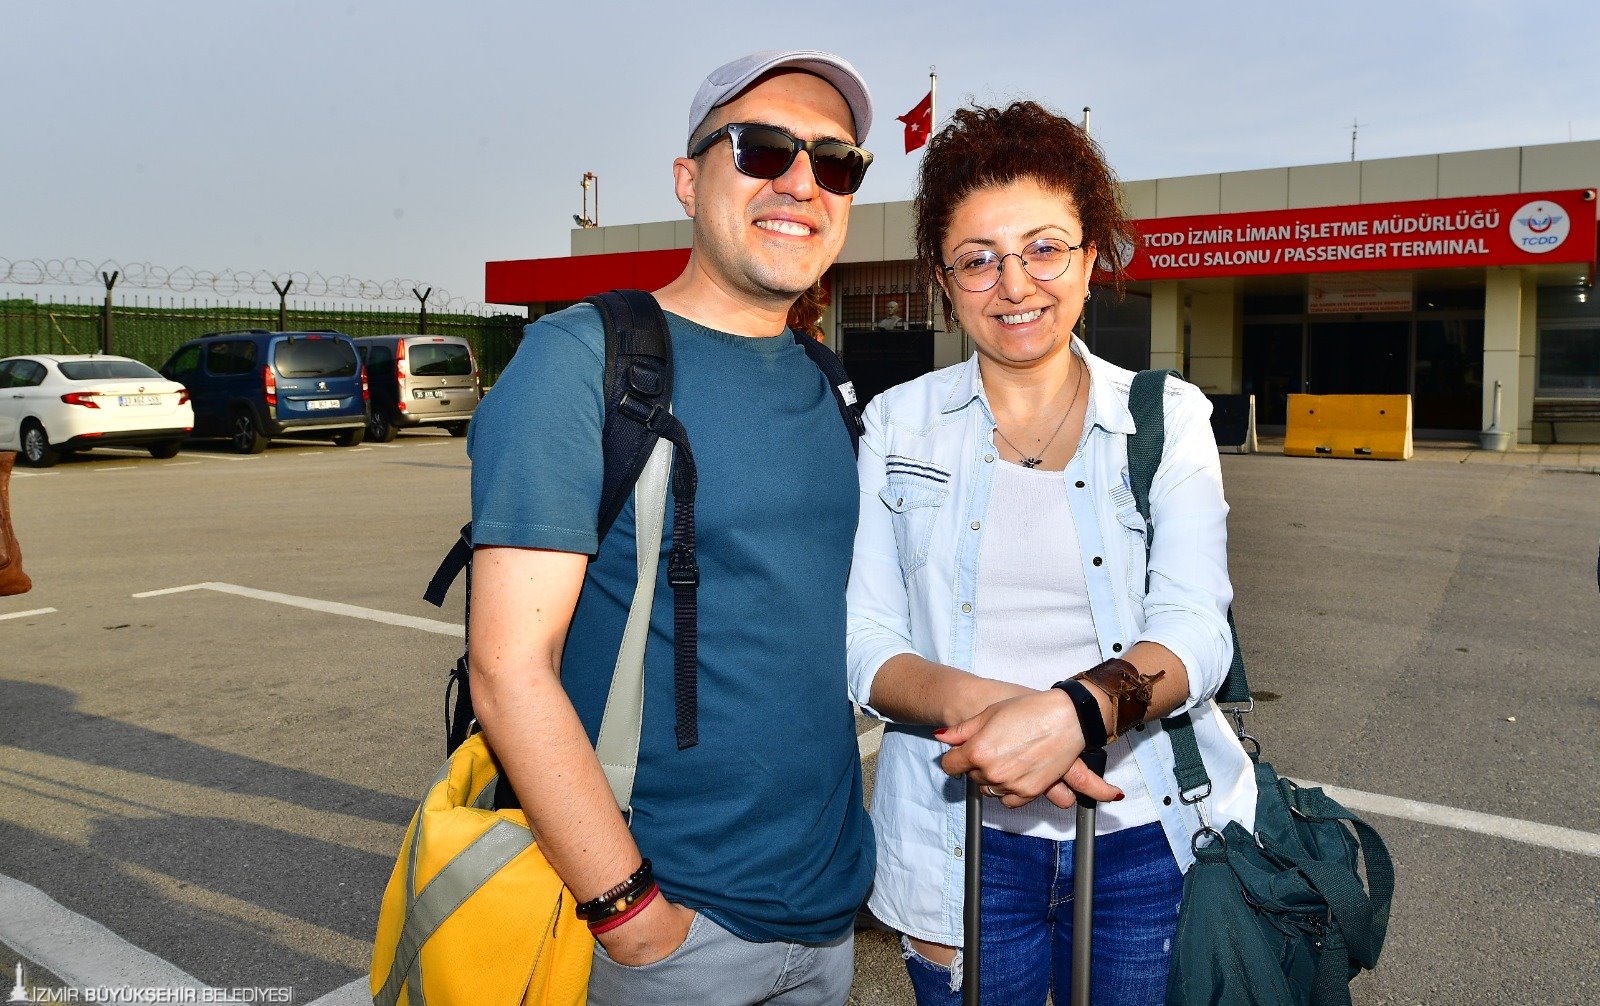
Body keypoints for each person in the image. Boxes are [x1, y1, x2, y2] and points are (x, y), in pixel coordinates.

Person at [466, 50, 877, 1006]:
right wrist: (631, 915)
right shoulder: (582, 361)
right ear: (689, 182)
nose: (802, 183)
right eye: (763, 148)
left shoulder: (831, 386)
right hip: (666, 932)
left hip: (828, 916)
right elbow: (508, 669)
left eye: (836, 161)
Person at [845, 101, 1258, 1005]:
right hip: (958, 843)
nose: (1014, 284)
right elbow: (866, 641)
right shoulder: (897, 424)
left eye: (1044, 248)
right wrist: (1010, 719)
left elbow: (1198, 627)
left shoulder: (1168, 416)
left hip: (1148, 841)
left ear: (1090, 255)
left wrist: (1076, 714)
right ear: (944, 279)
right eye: (978, 258)